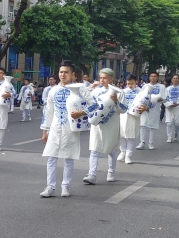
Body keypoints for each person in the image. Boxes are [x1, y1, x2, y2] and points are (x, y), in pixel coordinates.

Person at [40, 60, 86, 198]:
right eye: (61, 72)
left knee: (69, 157)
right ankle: (50, 187)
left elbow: (93, 105)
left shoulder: (80, 90)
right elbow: (48, 112)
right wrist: (44, 131)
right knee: (51, 157)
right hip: (55, 128)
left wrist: (82, 113)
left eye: (66, 72)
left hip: (70, 128)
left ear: (73, 75)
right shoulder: (52, 90)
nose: (63, 74)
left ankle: (65, 186)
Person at [82, 68, 124, 185]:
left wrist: (116, 102)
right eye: (100, 78)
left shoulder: (119, 92)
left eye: (105, 78)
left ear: (111, 78)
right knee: (94, 149)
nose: (102, 80)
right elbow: (90, 106)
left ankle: (111, 172)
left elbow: (124, 109)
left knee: (111, 150)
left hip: (111, 125)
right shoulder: (95, 91)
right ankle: (92, 174)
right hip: (98, 125)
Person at [136, 71, 165, 150]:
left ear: (157, 77)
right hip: (145, 108)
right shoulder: (145, 86)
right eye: (151, 76)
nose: (153, 77)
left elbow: (163, 97)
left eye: (155, 76)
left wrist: (158, 99)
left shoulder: (161, 87)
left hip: (155, 109)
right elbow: (141, 96)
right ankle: (142, 142)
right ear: (149, 77)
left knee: (153, 126)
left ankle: (151, 143)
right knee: (143, 125)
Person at [118, 75, 143, 165]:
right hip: (123, 115)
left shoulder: (141, 92)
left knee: (131, 135)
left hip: (134, 115)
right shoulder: (123, 92)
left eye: (132, 83)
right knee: (121, 134)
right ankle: (122, 151)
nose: (130, 85)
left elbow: (146, 103)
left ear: (136, 82)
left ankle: (128, 154)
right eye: (128, 83)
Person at [163, 74, 179, 143]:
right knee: (169, 123)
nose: (175, 79)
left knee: (177, 124)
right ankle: (169, 137)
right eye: (174, 78)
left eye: (177, 78)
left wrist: (178, 103)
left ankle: (176, 134)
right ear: (171, 80)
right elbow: (164, 98)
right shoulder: (167, 89)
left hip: (178, 107)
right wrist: (168, 104)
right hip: (169, 107)